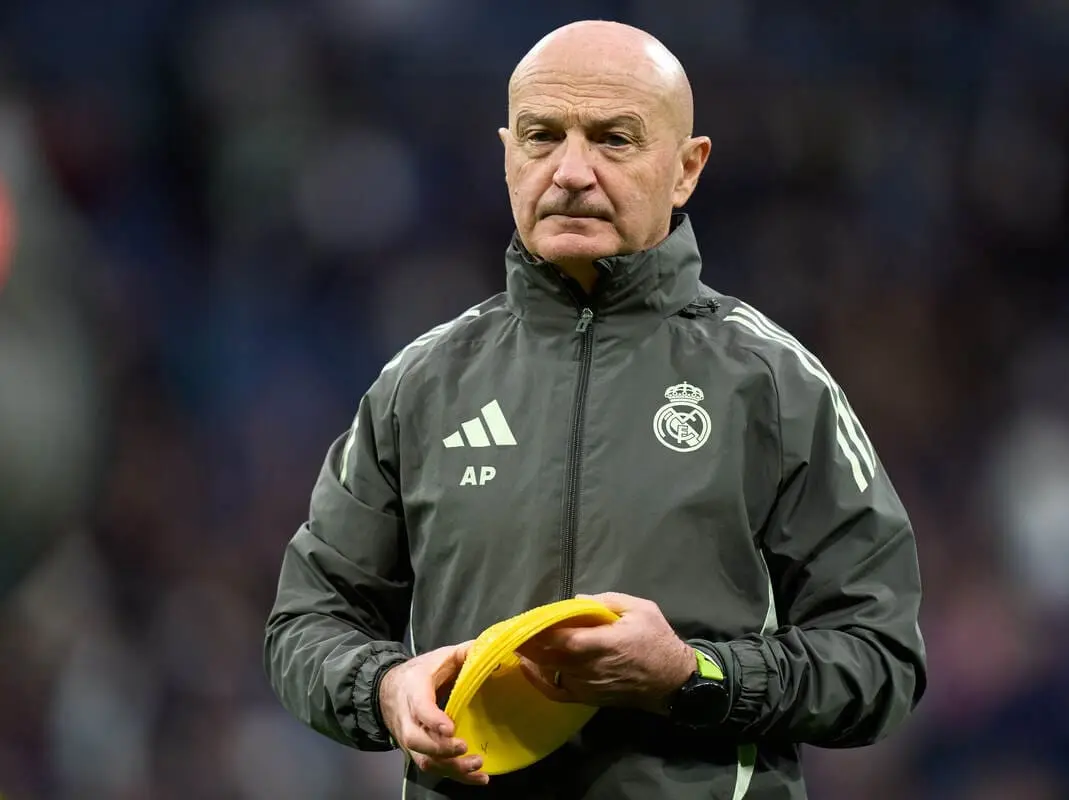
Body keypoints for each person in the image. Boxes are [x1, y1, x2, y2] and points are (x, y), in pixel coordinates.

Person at [264, 19, 926, 800]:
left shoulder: (776, 384)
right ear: (509, 155)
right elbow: (305, 626)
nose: (571, 171)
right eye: (543, 137)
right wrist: (384, 687)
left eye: (614, 140)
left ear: (686, 170)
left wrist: (690, 674)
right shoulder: (421, 384)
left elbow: (881, 657)